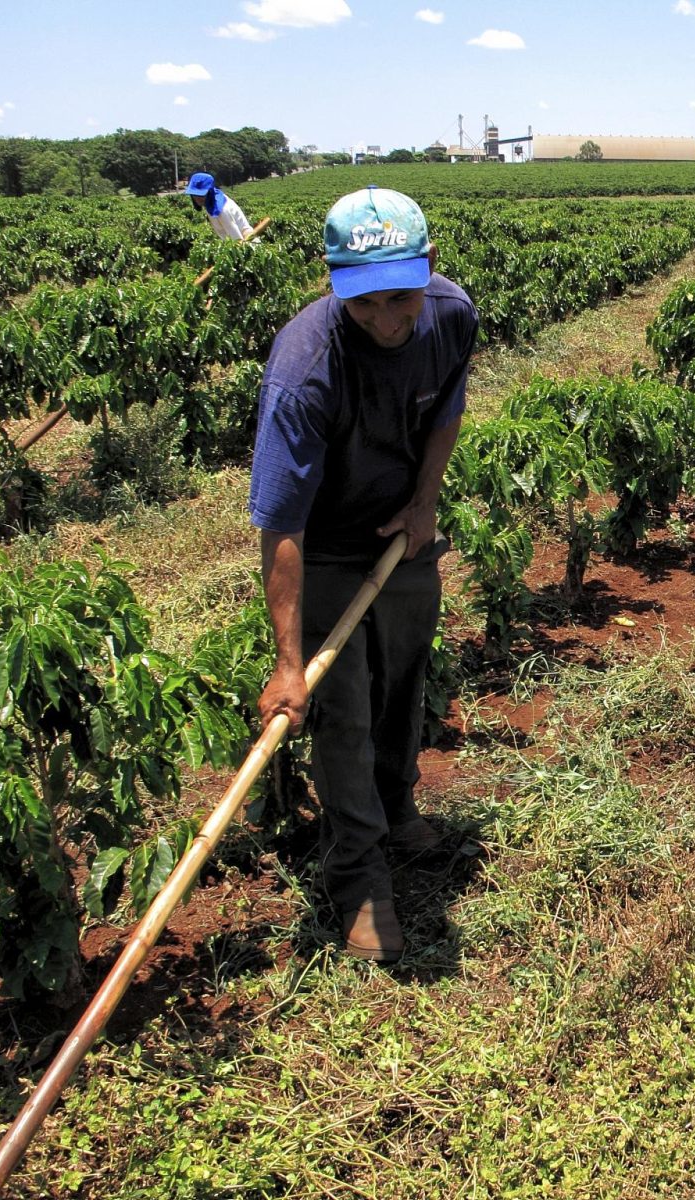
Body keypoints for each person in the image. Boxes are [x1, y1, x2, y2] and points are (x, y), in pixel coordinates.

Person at [250, 187, 479, 962]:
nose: (387, 320)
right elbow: (279, 522)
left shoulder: (449, 315)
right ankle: (357, 874)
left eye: (400, 298)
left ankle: (397, 803)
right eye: (365, 303)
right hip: (322, 543)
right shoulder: (303, 369)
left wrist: (424, 503)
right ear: (332, 281)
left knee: (406, 673)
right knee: (341, 706)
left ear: (431, 270)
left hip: (399, 532)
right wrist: (289, 666)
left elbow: (445, 409)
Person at [186, 171, 255, 241]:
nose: (197, 198)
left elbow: (238, 241)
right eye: (195, 194)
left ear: (209, 192)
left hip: (248, 245)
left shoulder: (222, 211)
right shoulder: (212, 200)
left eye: (201, 194)